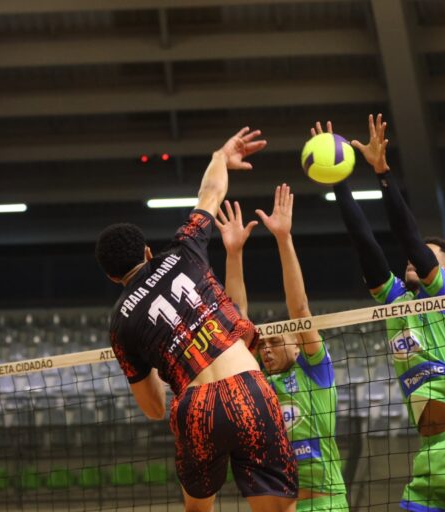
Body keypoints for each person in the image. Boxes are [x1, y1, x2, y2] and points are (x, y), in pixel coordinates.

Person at [96, 127, 297, 512]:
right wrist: (220, 156)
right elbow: (211, 193)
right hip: (249, 388)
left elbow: (154, 409)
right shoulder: (183, 251)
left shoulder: (121, 323)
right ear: (148, 250)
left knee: (198, 510)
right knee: (277, 509)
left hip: (196, 408)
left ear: (111, 278)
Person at [320, 115, 445, 512]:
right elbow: (365, 244)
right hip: (429, 452)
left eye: (428, 254)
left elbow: (406, 234)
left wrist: (382, 173)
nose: (412, 254)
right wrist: (338, 180)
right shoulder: (394, 303)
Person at [216, 185, 348, 512]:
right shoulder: (259, 383)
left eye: (276, 342)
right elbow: (236, 321)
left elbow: (300, 310)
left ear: (297, 346)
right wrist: (233, 253)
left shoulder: (314, 371)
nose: (267, 350)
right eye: (264, 345)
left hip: (325, 505)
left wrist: (283, 239)